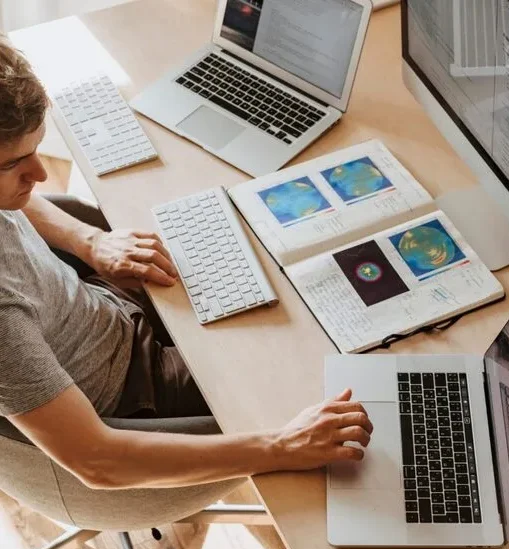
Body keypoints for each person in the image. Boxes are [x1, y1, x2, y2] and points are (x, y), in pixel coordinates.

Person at [0, 37, 372, 490]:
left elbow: (19, 200)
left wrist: (90, 241)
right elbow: (97, 461)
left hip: (103, 312)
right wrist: (281, 446)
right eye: (14, 164)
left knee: (275, 274)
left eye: (36, 150)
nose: (39, 175)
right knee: (336, 392)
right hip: (134, 398)